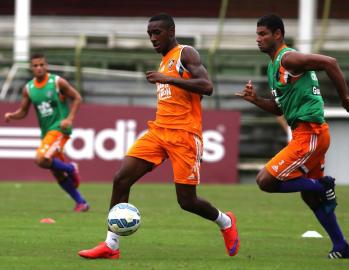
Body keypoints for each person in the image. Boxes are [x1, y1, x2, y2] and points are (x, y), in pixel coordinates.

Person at [78, 13, 239, 259]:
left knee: (187, 201)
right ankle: (111, 245)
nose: (153, 39)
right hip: (158, 131)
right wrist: (166, 76)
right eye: (149, 35)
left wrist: (167, 78)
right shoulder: (164, 60)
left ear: (171, 32)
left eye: (157, 33)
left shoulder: (186, 54)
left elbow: (207, 86)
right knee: (121, 179)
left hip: (184, 135)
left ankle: (225, 221)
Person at [236, 14, 349, 259]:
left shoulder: (289, 58)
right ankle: (342, 246)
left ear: (278, 34)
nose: (258, 39)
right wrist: (255, 100)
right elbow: (279, 108)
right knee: (310, 197)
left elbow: (330, 62)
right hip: (306, 135)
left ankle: (322, 185)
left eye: (263, 34)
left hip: (311, 134)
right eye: (257, 34)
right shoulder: (274, 65)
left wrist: (345, 97)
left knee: (265, 181)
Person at [4, 53, 89, 212]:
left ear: (46, 66)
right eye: (35, 65)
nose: (39, 68)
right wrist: (12, 116)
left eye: (41, 64)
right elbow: (23, 111)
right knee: (57, 173)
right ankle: (81, 202)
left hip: (59, 129)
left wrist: (69, 119)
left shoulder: (57, 82)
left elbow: (77, 98)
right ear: (31, 68)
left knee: (40, 159)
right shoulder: (29, 88)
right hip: (46, 132)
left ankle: (71, 168)